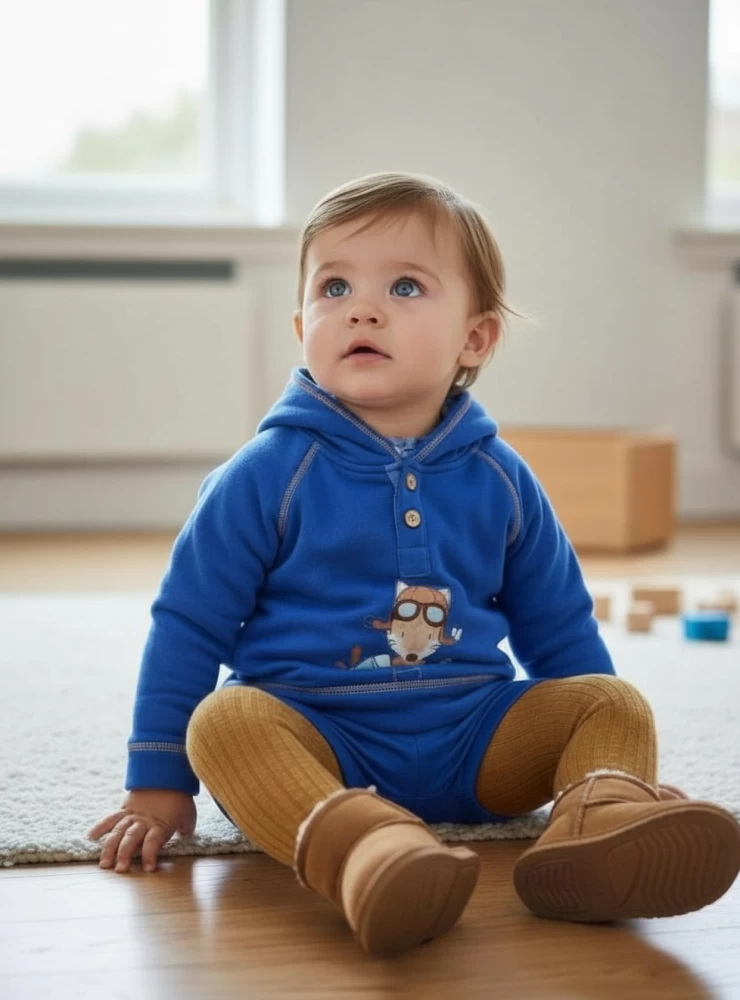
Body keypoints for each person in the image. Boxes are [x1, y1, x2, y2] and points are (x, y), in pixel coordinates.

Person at [89, 172, 740, 958]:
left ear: (475, 338)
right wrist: (157, 785)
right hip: (321, 740)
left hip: (473, 736)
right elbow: (189, 623)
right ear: (303, 326)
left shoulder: (501, 476)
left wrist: (603, 765)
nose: (362, 308)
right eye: (334, 287)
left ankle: (599, 827)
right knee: (225, 722)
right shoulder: (266, 473)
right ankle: (370, 854)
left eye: (405, 285)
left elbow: (558, 625)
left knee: (612, 700)